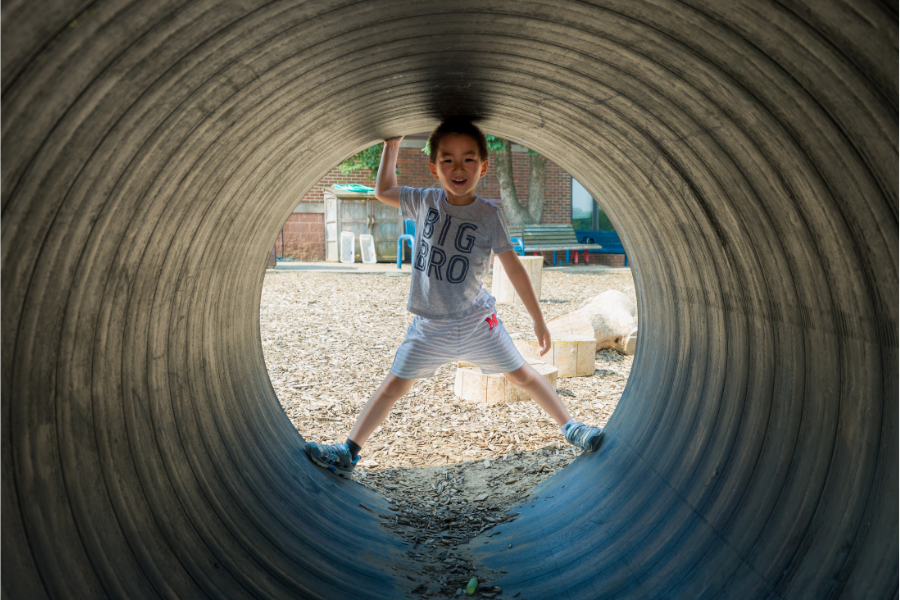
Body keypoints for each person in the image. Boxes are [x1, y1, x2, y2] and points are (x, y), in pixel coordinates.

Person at [304, 118, 603, 478]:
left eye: (468, 159)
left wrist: (538, 319)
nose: (458, 168)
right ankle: (348, 451)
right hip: (430, 326)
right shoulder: (424, 200)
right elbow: (384, 189)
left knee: (523, 374)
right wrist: (392, 143)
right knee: (393, 386)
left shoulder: (488, 215)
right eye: (447, 159)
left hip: (478, 322)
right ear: (434, 167)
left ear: (484, 166)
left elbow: (514, 269)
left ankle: (571, 427)